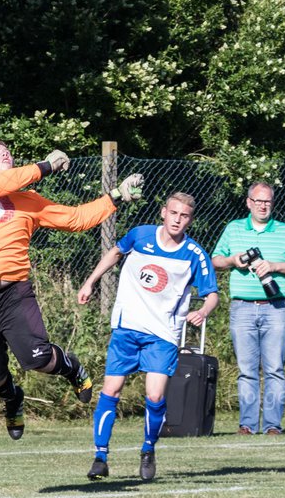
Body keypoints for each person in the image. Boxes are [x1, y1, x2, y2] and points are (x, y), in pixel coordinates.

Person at [0, 140, 144, 438]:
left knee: (37, 359)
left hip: (11, 295)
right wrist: (44, 166)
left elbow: (77, 219)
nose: (4, 153)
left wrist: (116, 196)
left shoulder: (30, 201)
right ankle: (12, 398)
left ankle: (72, 368)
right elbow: (6, 181)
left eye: (7, 151)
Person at [77, 192, 218, 481]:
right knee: (110, 391)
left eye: (185, 216)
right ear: (163, 212)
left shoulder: (194, 254)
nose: (178, 220)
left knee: (154, 395)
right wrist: (91, 281)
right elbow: (115, 253)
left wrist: (203, 311)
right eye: (174, 213)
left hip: (162, 334)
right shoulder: (140, 236)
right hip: (127, 328)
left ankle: (148, 449)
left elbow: (212, 295)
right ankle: (100, 457)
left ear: (190, 220)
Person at [211, 181, 285, 436]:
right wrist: (233, 260)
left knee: (275, 368)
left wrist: (274, 266)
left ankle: (273, 425)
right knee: (247, 370)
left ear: (272, 203)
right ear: (248, 203)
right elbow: (214, 260)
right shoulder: (233, 229)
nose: (263, 205)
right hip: (242, 307)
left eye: (267, 201)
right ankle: (247, 424)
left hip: (276, 307)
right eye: (258, 201)